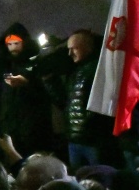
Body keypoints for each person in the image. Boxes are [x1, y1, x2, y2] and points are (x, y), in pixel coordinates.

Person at [44, 30, 120, 169]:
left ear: (87, 47)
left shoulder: (98, 71)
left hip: (93, 140)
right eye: (69, 49)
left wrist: (89, 123)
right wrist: (50, 82)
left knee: (99, 179)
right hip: (75, 138)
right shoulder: (76, 72)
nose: (70, 53)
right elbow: (67, 103)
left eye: (74, 48)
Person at [0, 23, 53, 158]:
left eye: (16, 43)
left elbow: (48, 94)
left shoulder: (37, 63)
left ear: (25, 42)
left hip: (32, 131)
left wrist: (27, 84)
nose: (13, 48)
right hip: (8, 128)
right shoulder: (2, 65)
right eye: (9, 44)